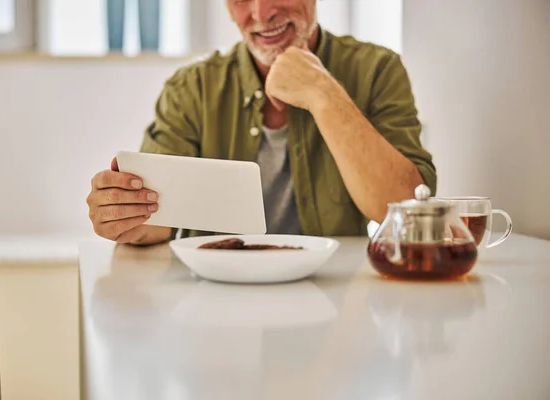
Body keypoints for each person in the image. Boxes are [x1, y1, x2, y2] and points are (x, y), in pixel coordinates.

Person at [87, 0, 437, 245]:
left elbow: (405, 208)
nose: (261, 13)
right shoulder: (191, 88)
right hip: (216, 299)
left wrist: (323, 93)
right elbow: (155, 223)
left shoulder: (377, 70)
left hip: (335, 302)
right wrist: (124, 216)